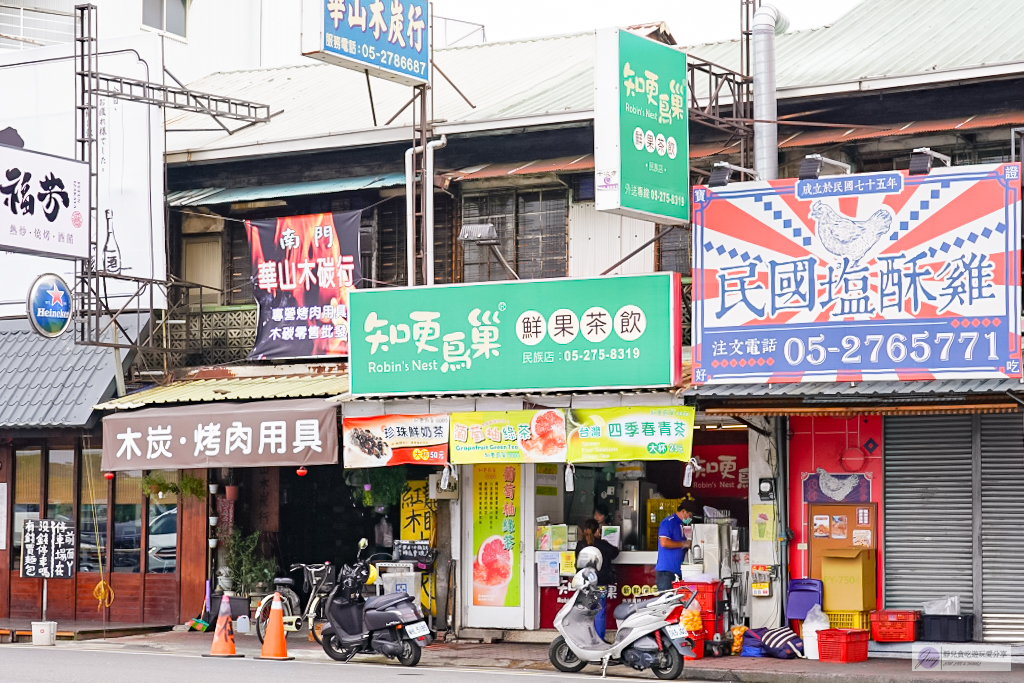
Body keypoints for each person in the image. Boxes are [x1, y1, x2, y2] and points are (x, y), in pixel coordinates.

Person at [575, 518, 619, 640]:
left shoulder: (580, 545)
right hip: (601, 582)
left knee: (586, 611)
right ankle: (599, 639)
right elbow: (615, 552)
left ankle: (586, 639)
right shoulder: (602, 544)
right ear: (597, 531)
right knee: (599, 611)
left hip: (585, 583)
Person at [654, 503, 693, 592]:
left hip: (677, 571)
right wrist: (683, 544)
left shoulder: (681, 525)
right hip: (666, 572)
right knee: (667, 601)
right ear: (683, 512)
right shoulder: (668, 522)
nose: (689, 518)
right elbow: (664, 542)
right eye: (689, 515)